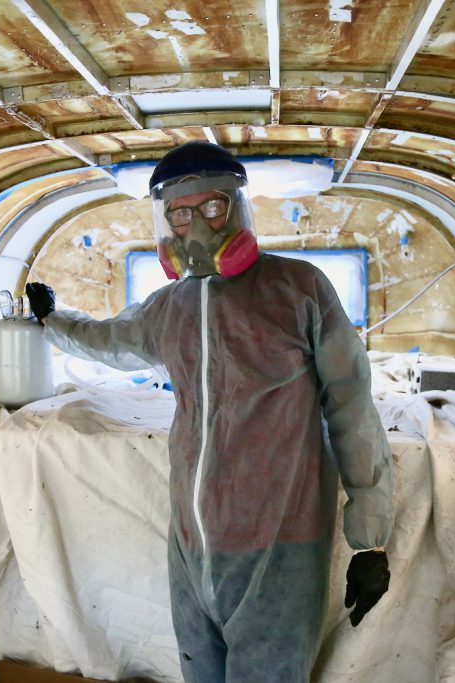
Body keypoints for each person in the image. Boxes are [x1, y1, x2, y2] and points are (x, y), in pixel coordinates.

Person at [25, 141, 393, 683]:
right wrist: (53, 319)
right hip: (192, 544)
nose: (196, 225)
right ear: (165, 222)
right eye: (179, 212)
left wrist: (370, 538)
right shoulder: (169, 307)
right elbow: (109, 339)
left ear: (237, 208)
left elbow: (351, 401)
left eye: (211, 208)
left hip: (279, 540)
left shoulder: (297, 288)